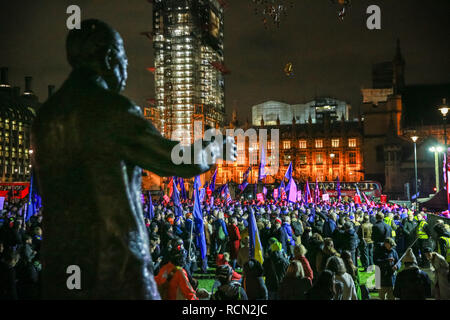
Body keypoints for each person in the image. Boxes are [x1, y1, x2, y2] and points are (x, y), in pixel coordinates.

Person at [31, 19, 237, 299]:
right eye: (124, 60)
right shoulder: (113, 110)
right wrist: (215, 146)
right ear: (108, 58)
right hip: (116, 267)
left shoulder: (45, 118)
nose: (126, 71)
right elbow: (178, 160)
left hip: (61, 268)